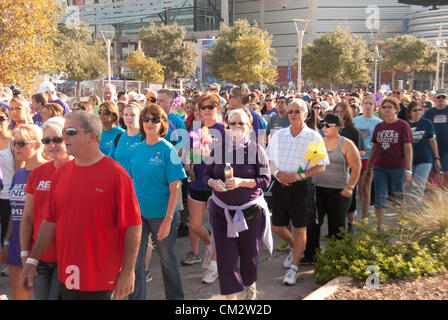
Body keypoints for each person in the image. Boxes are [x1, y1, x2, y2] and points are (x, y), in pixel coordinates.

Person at [19, 110, 142, 300]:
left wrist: (128, 271)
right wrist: (32, 260)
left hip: (103, 278)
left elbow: (133, 226)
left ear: (91, 136)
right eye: (64, 132)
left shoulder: (117, 175)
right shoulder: (61, 173)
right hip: (69, 275)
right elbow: (50, 222)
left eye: (71, 132)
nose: (64, 137)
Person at [204, 108, 272, 300]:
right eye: (231, 123)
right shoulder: (217, 149)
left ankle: (250, 287)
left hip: (250, 213)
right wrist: (213, 183)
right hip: (221, 212)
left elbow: (266, 180)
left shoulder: (257, 150)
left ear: (249, 127)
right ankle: (231, 300)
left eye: (240, 123)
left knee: (250, 256)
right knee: (226, 258)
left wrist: (242, 182)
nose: (235, 126)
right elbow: (206, 175)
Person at [266, 99, 329, 285]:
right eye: (291, 110)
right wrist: (278, 174)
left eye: (297, 111)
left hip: (301, 188)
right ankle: (297, 248)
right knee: (278, 227)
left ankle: (294, 268)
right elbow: (269, 160)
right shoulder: (278, 135)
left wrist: (297, 176)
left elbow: (320, 167)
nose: (293, 114)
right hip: (279, 185)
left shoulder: (314, 137)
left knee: (300, 227)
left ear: (306, 114)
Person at [129, 104, 186, 300]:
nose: (150, 123)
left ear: (162, 123)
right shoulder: (137, 149)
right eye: (146, 119)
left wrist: (168, 220)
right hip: (138, 216)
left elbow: (175, 189)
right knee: (135, 263)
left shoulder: (169, 149)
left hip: (162, 216)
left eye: (155, 119)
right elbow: (133, 182)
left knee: (167, 261)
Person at [19, 117, 72, 299]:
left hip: (67, 257)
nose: (52, 145)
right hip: (39, 256)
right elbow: (27, 217)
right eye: (46, 140)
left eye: (57, 139)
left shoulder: (79, 171)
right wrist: (25, 254)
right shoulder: (38, 173)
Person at [304, 114, 361, 263]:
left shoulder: (346, 144)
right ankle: (311, 255)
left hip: (339, 190)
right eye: (323, 124)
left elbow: (356, 167)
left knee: (337, 225)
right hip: (318, 189)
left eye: (328, 125)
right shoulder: (319, 142)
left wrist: (350, 187)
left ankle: (336, 257)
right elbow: (309, 163)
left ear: (338, 127)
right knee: (313, 224)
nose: (324, 127)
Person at [182, 93, 225, 285]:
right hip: (198, 182)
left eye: (210, 107)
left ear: (218, 109)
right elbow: (193, 156)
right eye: (203, 108)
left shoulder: (225, 130)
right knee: (195, 225)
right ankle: (210, 246)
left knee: (218, 227)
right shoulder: (197, 128)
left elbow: (231, 159)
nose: (206, 111)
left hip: (217, 184)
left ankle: (215, 265)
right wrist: (189, 159)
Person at [0, 124, 46, 299]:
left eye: (21, 143)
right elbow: (14, 211)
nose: (16, 147)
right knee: (19, 294)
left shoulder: (49, 170)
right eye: (14, 143)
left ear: (36, 145)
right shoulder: (18, 174)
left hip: (38, 245)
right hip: (16, 243)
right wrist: (6, 242)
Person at [366, 97, 413, 232]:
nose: (386, 109)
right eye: (384, 107)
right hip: (380, 166)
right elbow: (375, 146)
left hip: (398, 167)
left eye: (390, 107)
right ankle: (380, 227)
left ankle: (402, 226)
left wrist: (408, 169)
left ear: (396, 109)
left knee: (398, 197)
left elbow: (408, 148)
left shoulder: (403, 125)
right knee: (380, 197)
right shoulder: (379, 126)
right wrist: (369, 164)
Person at [333, 102, 366, 231]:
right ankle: (337, 229)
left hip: (349, 172)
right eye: (336, 112)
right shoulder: (332, 129)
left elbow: (362, 152)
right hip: (334, 171)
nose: (339, 114)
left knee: (349, 202)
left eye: (341, 112)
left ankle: (351, 225)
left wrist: (347, 153)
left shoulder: (353, 130)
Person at [0, 107, 23, 277]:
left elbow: (18, 169)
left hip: (9, 193)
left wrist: (15, 191)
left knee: (9, 231)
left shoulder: (13, 142)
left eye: (1, 118)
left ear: (8, 120)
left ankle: (8, 261)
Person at [353, 96, 382, 219]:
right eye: (366, 103)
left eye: (371, 103)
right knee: (358, 189)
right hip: (356, 157)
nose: (368, 106)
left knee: (365, 188)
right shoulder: (356, 120)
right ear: (362, 105)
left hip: (370, 158)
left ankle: (364, 217)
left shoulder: (378, 122)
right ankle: (355, 214)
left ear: (374, 106)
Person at [406, 101, 441, 200]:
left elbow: (432, 141)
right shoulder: (405, 124)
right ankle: (408, 211)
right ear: (409, 112)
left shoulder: (426, 123)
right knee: (407, 187)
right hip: (409, 161)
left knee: (417, 187)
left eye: (419, 110)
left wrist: (437, 157)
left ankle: (416, 212)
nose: (417, 112)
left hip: (425, 159)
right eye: (415, 110)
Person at [423, 88, 448, 190]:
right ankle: (432, 194)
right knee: (432, 173)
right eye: (439, 97)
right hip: (432, 149)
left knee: (445, 173)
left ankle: (444, 196)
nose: (441, 99)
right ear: (434, 99)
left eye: (443, 97)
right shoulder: (429, 113)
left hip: (447, 149)